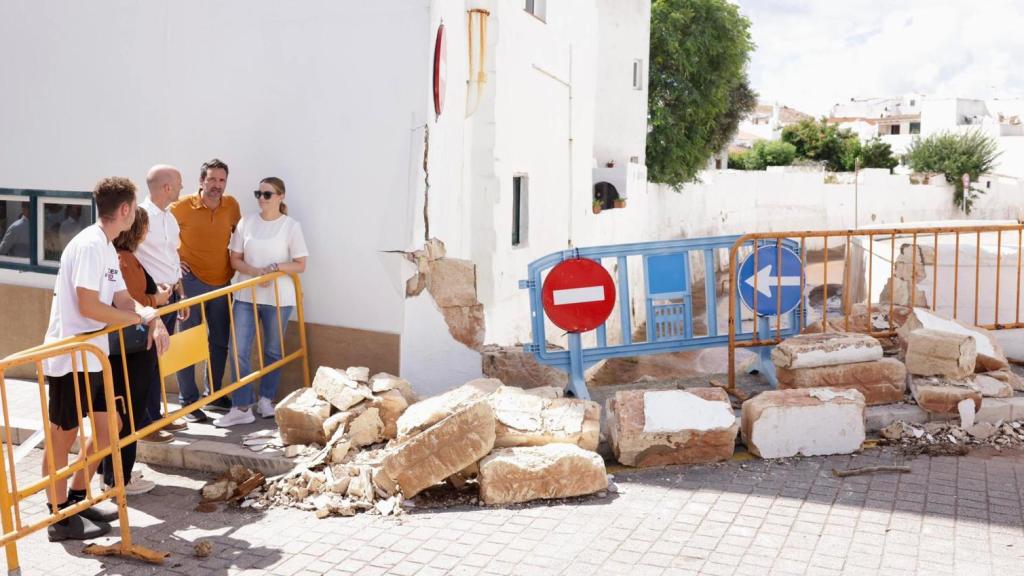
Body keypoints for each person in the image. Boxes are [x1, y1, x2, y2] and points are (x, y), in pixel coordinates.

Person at [41, 177, 169, 542]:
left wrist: (149, 316)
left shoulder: (108, 247)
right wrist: (135, 319)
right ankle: (57, 517)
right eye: (135, 208)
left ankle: (78, 501)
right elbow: (88, 304)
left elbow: (122, 299)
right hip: (70, 357)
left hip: (93, 356)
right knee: (61, 439)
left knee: (108, 427)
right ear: (125, 209)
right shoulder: (90, 246)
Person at [214, 177, 308, 427]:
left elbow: (300, 264)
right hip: (246, 294)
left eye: (267, 194)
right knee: (239, 350)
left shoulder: (291, 226)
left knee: (273, 350)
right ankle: (241, 406)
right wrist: (258, 273)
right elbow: (235, 259)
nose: (261, 198)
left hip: (280, 297)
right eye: (259, 193)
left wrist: (275, 268)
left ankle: (266, 399)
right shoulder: (247, 222)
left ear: (280, 197)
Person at [99, 207, 170, 495]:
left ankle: (114, 476)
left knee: (118, 414)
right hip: (130, 348)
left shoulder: (117, 257)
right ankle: (119, 480)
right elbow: (131, 300)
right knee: (127, 413)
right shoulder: (123, 260)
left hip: (124, 347)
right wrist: (157, 298)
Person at [170, 159, 240, 422]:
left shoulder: (231, 206)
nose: (216, 185)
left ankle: (214, 393)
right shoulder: (181, 207)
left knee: (219, 340)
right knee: (187, 342)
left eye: (221, 180)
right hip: (190, 283)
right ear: (201, 181)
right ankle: (188, 402)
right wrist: (174, 260)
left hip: (222, 281)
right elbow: (157, 236)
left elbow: (240, 236)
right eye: (211, 180)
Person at [134, 165, 190, 440]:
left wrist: (181, 293)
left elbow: (172, 257)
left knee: (158, 360)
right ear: (167, 187)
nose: (182, 187)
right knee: (146, 363)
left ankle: (156, 417)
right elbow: (129, 260)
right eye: (178, 183)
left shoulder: (169, 218)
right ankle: (144, 424)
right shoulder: (140, 217)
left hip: (170, 300)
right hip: (149, 303)